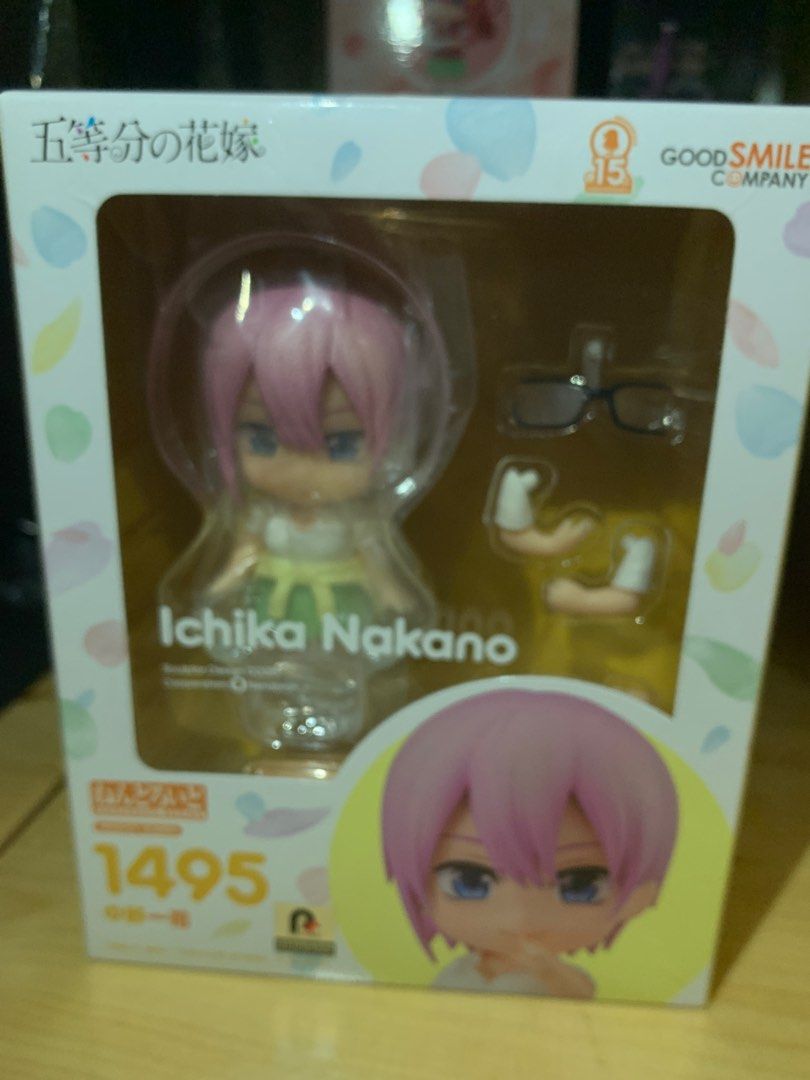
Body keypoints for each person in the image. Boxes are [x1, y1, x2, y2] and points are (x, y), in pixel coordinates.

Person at [382, 687, 678, 998]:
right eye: (468, 882)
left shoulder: (559, 976)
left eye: (580, 886)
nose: (519, 919)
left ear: (638, 897)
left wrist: (549, 973)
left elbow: (581, 997)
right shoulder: (458, 972)